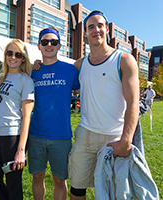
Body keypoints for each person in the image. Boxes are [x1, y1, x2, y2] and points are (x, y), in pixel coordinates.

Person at [69, 11, 139, 200]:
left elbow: (133, 102)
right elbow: (56, 73)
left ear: (106, 29)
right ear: (85, 33)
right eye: (90, 27)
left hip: (115, 136)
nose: (96, 30)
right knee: (76, 188)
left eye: (100, 25)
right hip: (86, 135)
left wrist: (126, 139)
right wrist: (36, 64)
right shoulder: (78, 65)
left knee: (116, 193)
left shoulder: (124, 60)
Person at [29, 27, 80, 200]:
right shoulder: (32, 71)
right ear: (39, 46)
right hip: (36, 134)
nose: (49, 45)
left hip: (61, 136)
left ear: (59, 46)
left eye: (53, 42)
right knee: (37, 177)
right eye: (45, 42)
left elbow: (86, 88)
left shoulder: (70, 70)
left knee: (59, 180)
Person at [0, 39, 35, 200]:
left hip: (13, 137)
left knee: (13, 183)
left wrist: (21, 151)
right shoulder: (0, 77)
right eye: (9, 53)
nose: (13, 57)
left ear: (23, 58)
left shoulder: (25, 80)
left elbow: (27, 116)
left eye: (18, 54)